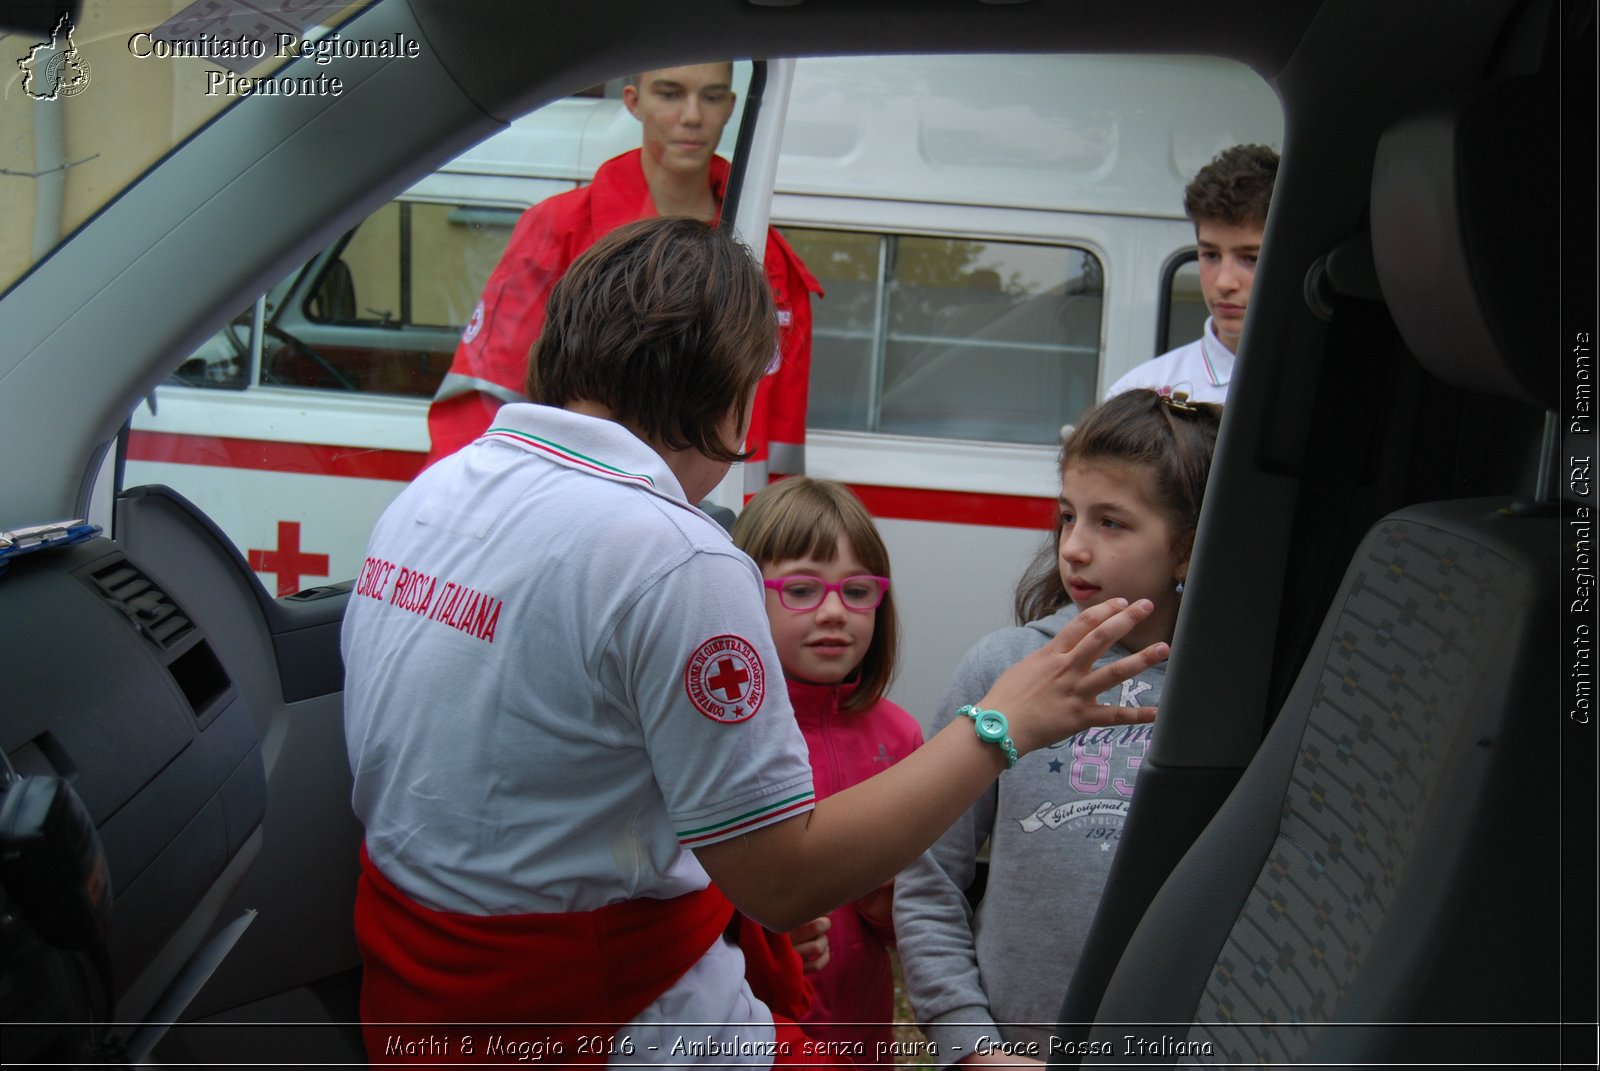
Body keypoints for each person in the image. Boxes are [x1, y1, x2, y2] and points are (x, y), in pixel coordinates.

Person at [343, 217, 1167, 1066]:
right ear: (727, 391)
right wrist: (1000, 725)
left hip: (414, 1001)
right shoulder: (670, 551)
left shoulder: (434, 493)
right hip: (609, 1024)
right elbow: (784, 880)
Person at [895, 388, 1222, 1063]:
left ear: (1186, 547)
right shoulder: (1002, 667)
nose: (1073, 547)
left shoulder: (1226, 697)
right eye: (1068, 516)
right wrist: (971, 1044)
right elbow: (928, 875)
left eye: (1111, 523)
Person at [425, 61, 821, 495]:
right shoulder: (560, 232)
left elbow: (778, 448)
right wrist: (460, 512)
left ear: (730, 106)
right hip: (569, 507)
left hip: (725, 524)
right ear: (634, 102)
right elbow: (482, 401)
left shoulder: (772, 265)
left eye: (710, 96)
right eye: (670, 93)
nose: (691, 116)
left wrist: (766, 547)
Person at [732, 477, 924, 1054]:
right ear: (743, 594)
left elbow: (913, 913)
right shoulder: (726, 733)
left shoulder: (900, 736)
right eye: (802, 589)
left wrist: (887, 905)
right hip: (755, 1035)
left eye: (858, 591)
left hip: (858, 1032)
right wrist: (764, 936)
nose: (836, 611)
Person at [1104, 144, 1279, 404]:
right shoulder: (1139, 395)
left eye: (1251, 258)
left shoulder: (1338, 384)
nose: (1224, 282)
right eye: (1210, 255)